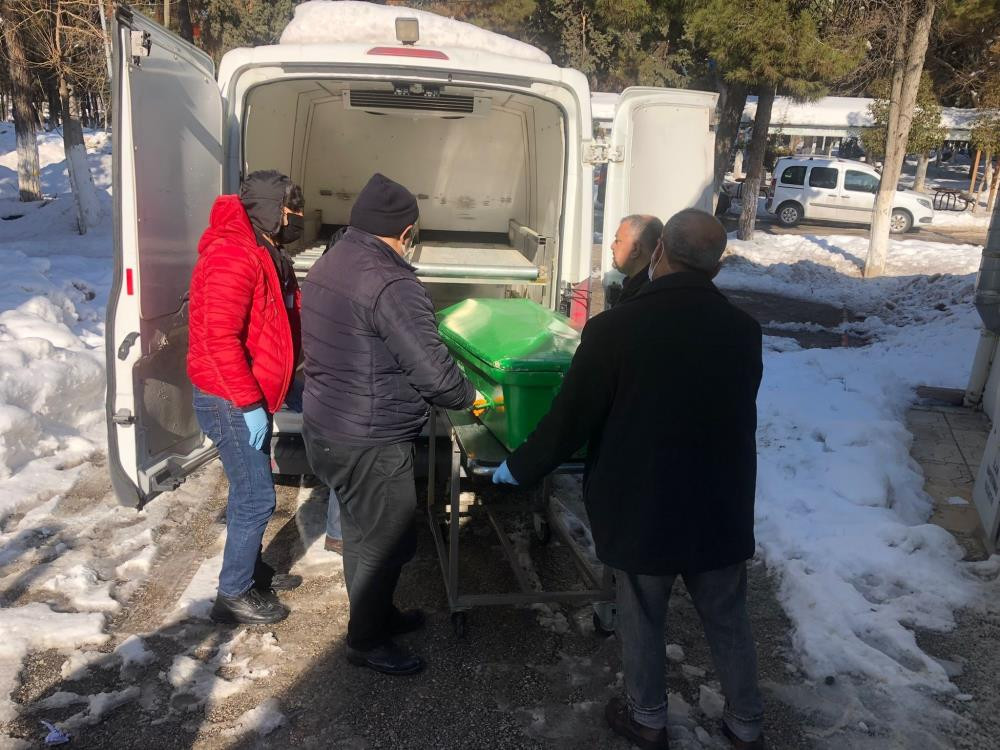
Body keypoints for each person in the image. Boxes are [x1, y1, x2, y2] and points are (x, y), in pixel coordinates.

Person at [493, 209, 766, 750]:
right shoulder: (744, 330)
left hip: (644, 503)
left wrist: (518, 467)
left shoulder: (616, 328)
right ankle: (747, 723)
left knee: (641, 613)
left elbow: (572, 419)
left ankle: (647, 718)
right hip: (719, 502)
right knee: (728, 616)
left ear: (660, 250)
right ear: (717, 266)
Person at [301, 173, 475, 675]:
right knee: (387, 543)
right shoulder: (390, 283)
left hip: (327, 427)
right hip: (369, 438)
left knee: (360, 534)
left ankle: (376, 615)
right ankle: (366, 641)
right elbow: (434, 373)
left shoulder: (332, 260)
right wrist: (471, 396)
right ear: (405, 231)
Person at [187, 170, 306, 625]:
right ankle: (233, 593)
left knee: (248, 492)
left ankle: (250, 570)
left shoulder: (262, 248)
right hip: (229, 398)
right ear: (270, 210)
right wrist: (249, 403)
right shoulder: (232, 255)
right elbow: (219, 341)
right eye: (291, 210)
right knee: (257, 497)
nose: (296, 218)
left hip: (247, 393)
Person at [609, 214, 663, 308]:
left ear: (635, 249)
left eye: (617, 240)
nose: (612, 246)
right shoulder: (654, 286)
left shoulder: (645, 298)